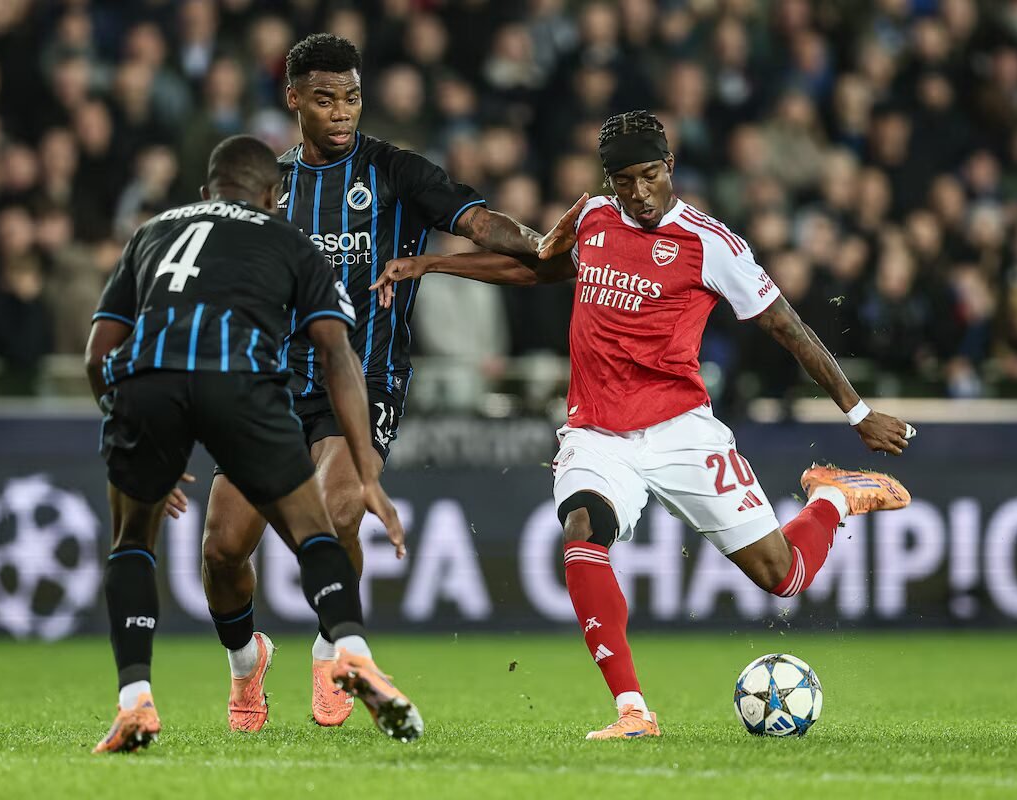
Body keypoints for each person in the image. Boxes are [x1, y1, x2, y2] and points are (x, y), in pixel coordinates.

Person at [372, 111, 916, 740]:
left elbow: (785, 326)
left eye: (649, 176)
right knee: (581, 529)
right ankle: (633, 710)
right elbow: (544, 267)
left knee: (783, 577)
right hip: (597, 433)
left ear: (670, 169)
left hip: (682, 428)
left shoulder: (711, 243)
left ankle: (831, 497)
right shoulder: (594, 217)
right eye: (623, 180)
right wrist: (433, 266)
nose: (638, 192)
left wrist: (857, 412)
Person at [200, 33, 549, 732]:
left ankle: (333, 649)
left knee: (334, 512)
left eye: (352, 96)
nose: (342, 112)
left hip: (364, 381)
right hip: (270, 385)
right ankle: (246, 662)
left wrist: (540, 244)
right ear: (294, 98)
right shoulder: (270, 187)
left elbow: (477, 219)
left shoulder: (395, 172)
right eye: (325, 98)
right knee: (221, 547)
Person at [84, 134, 421, 753]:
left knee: (132, 543)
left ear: (206, 192)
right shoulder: (289, 239)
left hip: (148, 385)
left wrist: (131, 428)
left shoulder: (153, 230)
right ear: (275, 195)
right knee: (289, 533)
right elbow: (337, 350)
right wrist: (372, 467)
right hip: (241, 388)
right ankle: (339, 650)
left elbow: (99, 350)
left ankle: (135, 700)